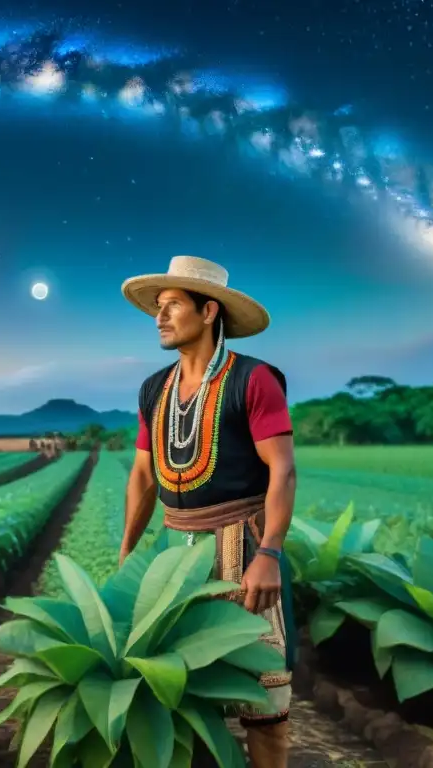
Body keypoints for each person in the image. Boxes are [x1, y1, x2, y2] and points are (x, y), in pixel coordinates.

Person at [119, 255, 297, 768]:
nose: (160, 316)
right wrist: (130, 551)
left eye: (173, 305)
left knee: (264, 699)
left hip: (243, 548)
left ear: (209, 310)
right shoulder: (155, 390)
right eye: (158, 307)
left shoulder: (254, 380)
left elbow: (282, 471)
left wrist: (268, 552)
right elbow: (143, 476)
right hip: (174, 553)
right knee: (185, 691)